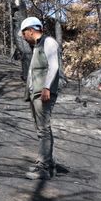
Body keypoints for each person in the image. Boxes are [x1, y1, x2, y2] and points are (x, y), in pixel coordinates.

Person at [20, 16, 61, 180]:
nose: (23, 37)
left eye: (24, 34)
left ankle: (43, 167)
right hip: (36, 93)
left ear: (31, 30)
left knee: (44, 129)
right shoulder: (37, 46)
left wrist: (46, 87)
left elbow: (54, 66)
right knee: (41, 129)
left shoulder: (48, 42)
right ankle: (47, 163)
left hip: (43, 93)